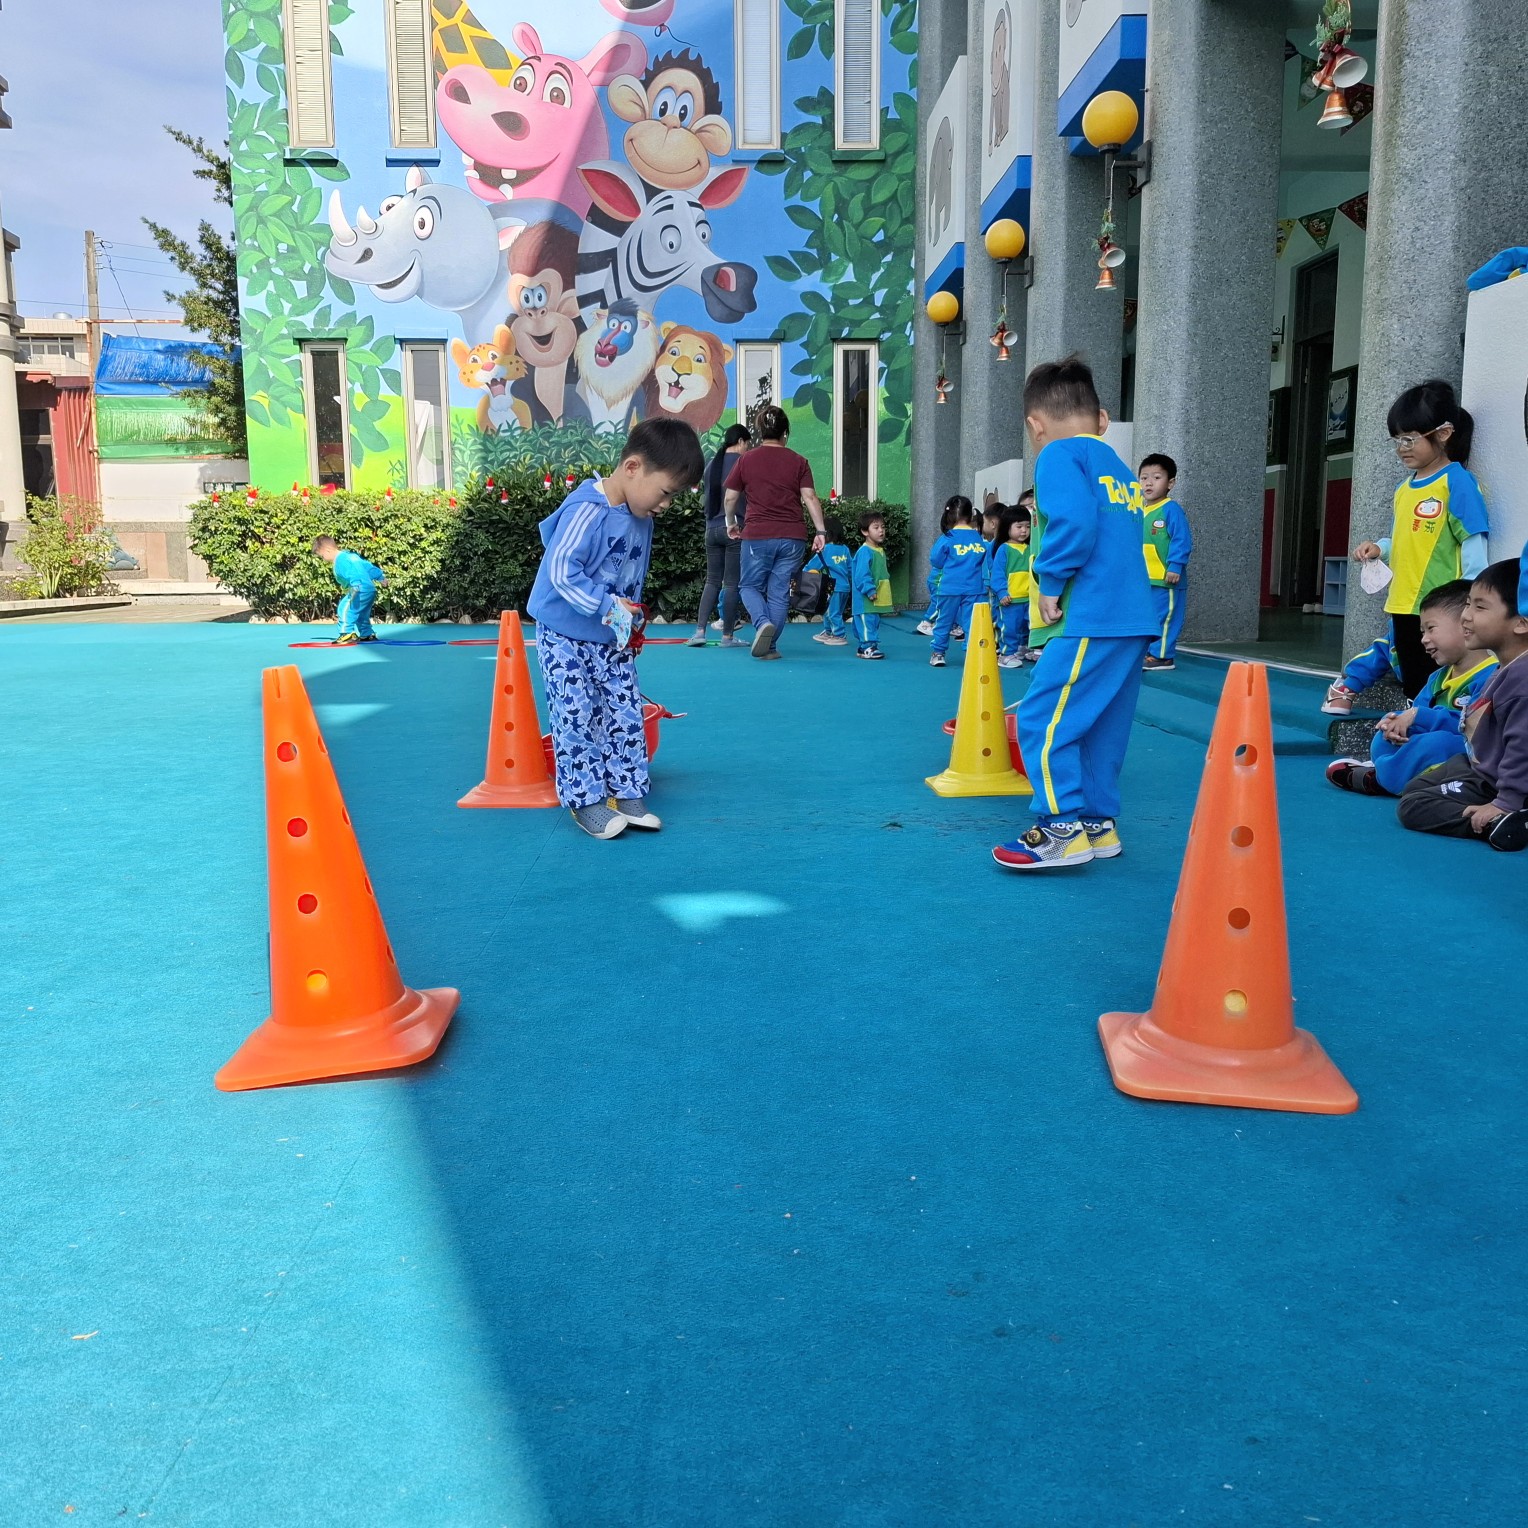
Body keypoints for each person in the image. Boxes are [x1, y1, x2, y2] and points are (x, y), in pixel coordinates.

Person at [993, 357, 1157, 870]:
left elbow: (1074, 522)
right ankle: (1096, 824)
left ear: (1035, 426)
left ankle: (1059, 827)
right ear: (1102, 419)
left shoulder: (1057, 455)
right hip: (1133, 617)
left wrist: (1050, 579)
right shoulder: (1118, 468)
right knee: (1102, 724)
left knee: (1042, 718)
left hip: (1091, 615)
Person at [527, 418, 704, 840]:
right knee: (577, 715)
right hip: (564, 634)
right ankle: (586, 800)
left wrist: (630, 622)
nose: (667, 504)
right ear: (632, 467)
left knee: (625, 712)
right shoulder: (587, 509)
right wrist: (610, 608)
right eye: (666, 492)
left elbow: (627, 577)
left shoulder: (641, 515)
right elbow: (561, 571)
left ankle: (627, 793)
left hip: (610, 635)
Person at [1332, 379, 1489, 707]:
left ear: (1443, 433)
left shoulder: (1457, 482)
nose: (1401, 448)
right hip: (1402, 602)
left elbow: (1473, 540)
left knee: (1436, 678)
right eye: (1397, 440)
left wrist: (1469, 600)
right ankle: (1411, 724)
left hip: (1442, 606)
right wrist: (1380, 548)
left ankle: (1426, 727)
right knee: (1412, 678)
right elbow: (1405, 539)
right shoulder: (1404, 488)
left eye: (1409, 439)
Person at [1397, 559, 1528, 851]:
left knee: (1415, 805)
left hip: (1501, 783)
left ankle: (1499, 822)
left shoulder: (1523, 679)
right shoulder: (1505, 667)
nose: (1466, 616)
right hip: (1481, 767)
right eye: (1468, 604)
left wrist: (1505, 801)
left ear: (1521, 622)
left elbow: (1522, 748)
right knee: (1416, 787)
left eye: (1479, 607)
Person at [1326, 579, 1496, 795]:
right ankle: (1392, 775)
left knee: (1437, 743)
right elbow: (1416, 711)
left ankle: (1381, 779)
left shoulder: (1492, 674)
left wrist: (1418, 716)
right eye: (1422, 632)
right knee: (1384, 736)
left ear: (1466, 626)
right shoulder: (1437, 677)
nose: (1424, 639)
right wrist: (1397, 723)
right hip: (1430, 751)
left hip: (1470, 754)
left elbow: (1475, 729)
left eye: (1431, 629)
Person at [725, 404, 826, 660]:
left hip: (757, 535)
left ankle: (762, 623)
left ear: (760, 432)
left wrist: (730, 523)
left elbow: (730, 498)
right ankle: (770, 647)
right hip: (793, 536)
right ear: (785, 433)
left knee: (748, 586)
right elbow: (810, 497)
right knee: (779, 592)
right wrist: (821, 531)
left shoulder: (746, 460)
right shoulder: (799, 461)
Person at [688, 422, 751, 648]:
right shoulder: (744, 463)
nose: (748, 449)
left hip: (711, 529)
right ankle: (727, 637)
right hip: (734, 527)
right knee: (732, 584)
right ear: (741, 441)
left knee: (712, 580)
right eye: (748, 444)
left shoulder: (712, 464)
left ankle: (699, 632)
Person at [1138, 453, 1193, 671]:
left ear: (1171, 483)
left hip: (1166, 579)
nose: (1149, 483)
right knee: (1149, 617)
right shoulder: (1140, 510)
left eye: (1156, 477)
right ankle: (1149, 652)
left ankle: (1163, 656)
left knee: (1165, 617)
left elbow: (1181, 540)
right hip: (1146, 579)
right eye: (1144, 478)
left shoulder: (1171, 509)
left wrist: (1175, 566)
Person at [928, 500, 986, 668]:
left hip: (949, 588)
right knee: (971, 623)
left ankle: (938, 653)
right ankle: (971, 654)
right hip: (974, 588)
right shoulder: (977, 536)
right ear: (970, 515)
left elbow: (936, 560)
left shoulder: (947, 537)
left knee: (944, 621)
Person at [312, 535, 385, 646]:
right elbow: (366, 566)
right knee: (361, 613)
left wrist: (356, 585)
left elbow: (353, 573)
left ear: (327, 550)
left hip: (359, 588)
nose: (323, 559)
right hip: (369, 589)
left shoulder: (341, 561)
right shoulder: (351, 556)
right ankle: (367, 634)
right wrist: (379, 576)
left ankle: (347, 633)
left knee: (344, 608)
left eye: (322, 556)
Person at [991, 505, 1032, 669]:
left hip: (1028, 598)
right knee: (1009, 628)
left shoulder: (1030, 548)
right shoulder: (1004, 549)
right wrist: (1002, 593)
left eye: (1027, 526)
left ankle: (1022, 648)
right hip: (1009, 599)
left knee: (1026, 626)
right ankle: (1006, 654)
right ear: (1007, 527)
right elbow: (998, 574)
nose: (1024, 531)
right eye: (1019, 526)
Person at [851, 510, 893, 659]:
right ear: (865, 531)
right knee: (867, 621)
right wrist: (869, 589)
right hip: (865, 599)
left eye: (883, 527)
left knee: (873, 622)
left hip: (876, 597)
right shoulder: (864, 551)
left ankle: (864, 647)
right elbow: (862, 574)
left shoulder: (879, 550)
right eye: (876, 527)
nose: (881, 530)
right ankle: (868, 646)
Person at [916, 500, 962, 637]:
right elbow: (935, 558)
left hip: (944, 579)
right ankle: (926, 622)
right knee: (940, 601)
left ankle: (952, 625)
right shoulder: (947, 538)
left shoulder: (952, 538)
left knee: (951, 602)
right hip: (939, 579)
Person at [805, 516, 853, 646]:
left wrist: (804, 573)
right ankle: (828, 632)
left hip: (832, 587)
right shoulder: (845, 549)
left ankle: (839, 635)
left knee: (831, 612)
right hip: (845, 587)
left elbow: (812, 566)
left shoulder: (825, 550)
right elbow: (851, 569)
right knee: (832, 611)